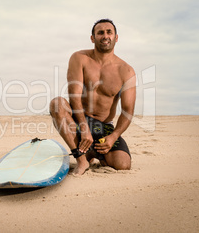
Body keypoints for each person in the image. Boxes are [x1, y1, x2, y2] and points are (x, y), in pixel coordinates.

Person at [49, 19, 136, 175]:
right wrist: (83, 127)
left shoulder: (126, 71)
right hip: (79, 119)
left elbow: (128, 111)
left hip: (103, 126)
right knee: (57, 104)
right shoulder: (79, 58)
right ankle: (82, 159)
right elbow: (74, 95)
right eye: (100, 32)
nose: (105, 36)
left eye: (109, 32)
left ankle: (92, 152)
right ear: (92, 38)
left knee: (123, 164)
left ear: (116, 38)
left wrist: (113, 136)